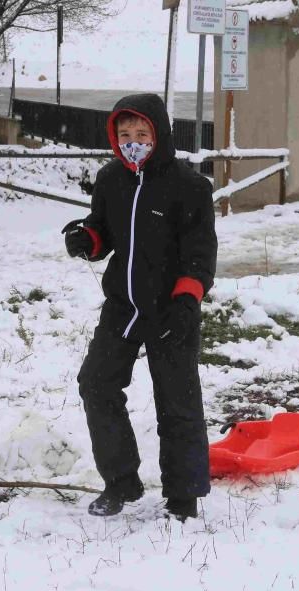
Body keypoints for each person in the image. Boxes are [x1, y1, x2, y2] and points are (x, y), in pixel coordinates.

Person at [62, 93, 216, 522]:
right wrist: (86, 239)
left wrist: (187, 301)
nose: (133, 142)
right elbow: (103, 231)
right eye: (125, 134)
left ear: (159, 134)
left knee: (177, 402)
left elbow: (200, 254)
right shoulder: (111, 179)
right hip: (122, 308)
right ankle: (120, 482)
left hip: (172, 311)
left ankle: (183, 498)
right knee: (97, 384)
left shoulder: (189, 187)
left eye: (142, 134)